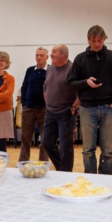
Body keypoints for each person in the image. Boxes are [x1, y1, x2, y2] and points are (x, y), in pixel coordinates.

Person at [68, 25, 112, 175]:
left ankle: (106, 181)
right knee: (88, 150)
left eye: (100, 40)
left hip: (108, 108)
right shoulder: (80, 59)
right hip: (87, 108)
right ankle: (91, 181)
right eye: (93, 41)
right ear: (88, 41)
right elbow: (71, 84)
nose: (97, 44)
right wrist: (86, 82)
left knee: (108, 151)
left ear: (104, 39)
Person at [43, 44, 79, 172]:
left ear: (64, 55)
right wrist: (47, 101)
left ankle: (66, 173)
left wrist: (74, 107)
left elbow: (81, 91)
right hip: (50, 112)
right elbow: (46, 87)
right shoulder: (50, 68)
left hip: (66, 112)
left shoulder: (73, 68)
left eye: (54, 52)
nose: (51, 54)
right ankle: (62, 168)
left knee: (66, 146)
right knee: (46, 142)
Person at [18, 47, 50, 162]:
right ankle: (23, 162)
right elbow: (24, 86)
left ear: (47, 57)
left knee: (45, 138)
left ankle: (43, 162)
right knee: (25, 138)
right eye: (37, 55)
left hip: (45, 109)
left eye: (42, 55)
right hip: (29, 108)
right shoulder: (30, 70)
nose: (39, 57)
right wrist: (24, 103)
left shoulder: (52, 70)